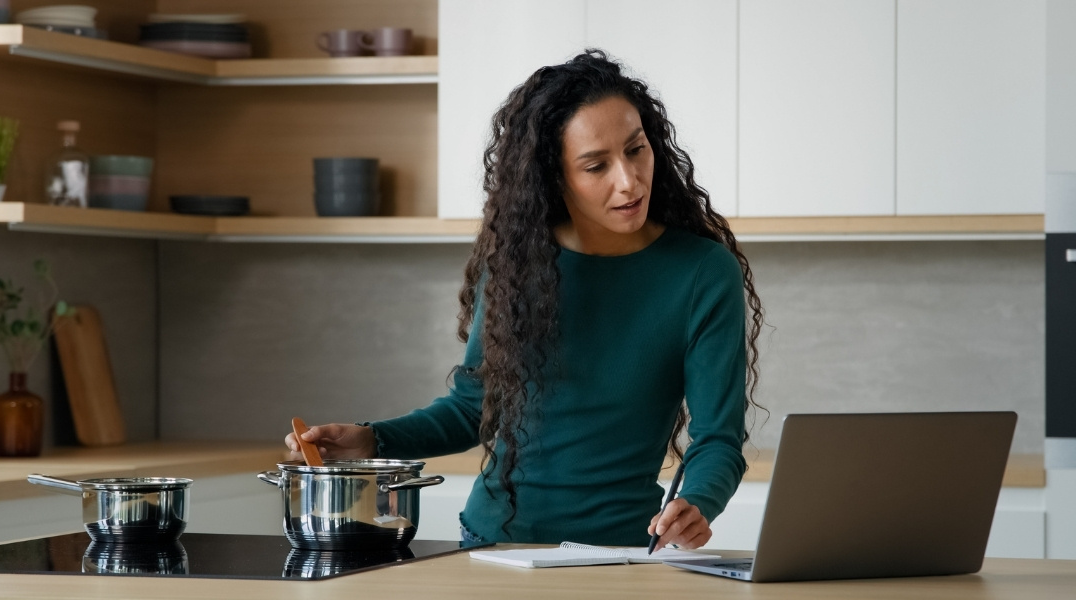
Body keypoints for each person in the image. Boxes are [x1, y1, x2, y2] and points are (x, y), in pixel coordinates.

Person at [286, 49, 765, 550]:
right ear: (556, 178)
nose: (628, 180)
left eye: (636, 149)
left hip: (623, 552)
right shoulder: (518, 266)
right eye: (596, 165)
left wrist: (698, 501)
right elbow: (475, 409)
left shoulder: (702, 273)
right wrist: (371, 439)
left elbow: (718, 440)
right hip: (494, 544)